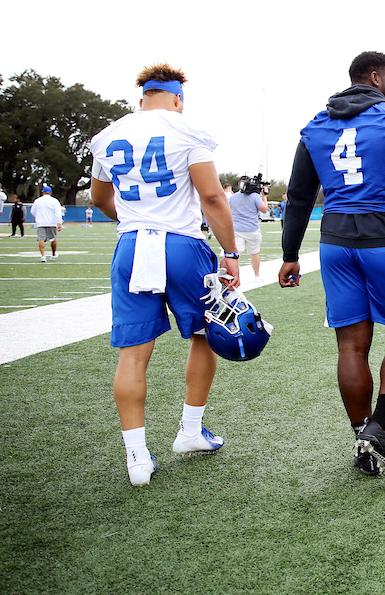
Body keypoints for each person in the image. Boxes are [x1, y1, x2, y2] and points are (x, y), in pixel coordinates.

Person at [280, 50, 385, 477]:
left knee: (350, 346)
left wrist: (290, 256)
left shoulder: (315, 127)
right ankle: (378, 428)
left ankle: (362, 441)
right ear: (375, 78)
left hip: (335, 244)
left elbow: (299, 197)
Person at [88, 63, 241, 486]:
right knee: (204, 334)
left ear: (141, 99)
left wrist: (137, 221)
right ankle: (190, 432)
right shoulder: (187, 130)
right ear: (178, 98)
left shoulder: (108, 135)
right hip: (182, 244)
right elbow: (211, 195)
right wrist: (230, 252)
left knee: (133, 353)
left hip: (132, 244)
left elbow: (100, 198)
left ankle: (136, 458)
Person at [229, 177, 269, 280]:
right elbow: (264, 209)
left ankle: (234, 275)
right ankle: (257, 275)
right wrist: (264, 197)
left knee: (237, 253)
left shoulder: (233, 197)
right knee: (254, 253)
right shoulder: (254, 196)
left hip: (236, 229)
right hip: (252, 229)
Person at [31, 186, 64, 263]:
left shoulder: (37, 201)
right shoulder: (54, 201)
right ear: (51, 192)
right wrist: (59, 223)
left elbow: (33, 212)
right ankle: (53, 254)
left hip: (40, 223)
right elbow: (57, 213)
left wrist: (38, 217)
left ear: (42, 192)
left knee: (41, 238)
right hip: (51, 222)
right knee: (53, 238)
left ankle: (43, 256)